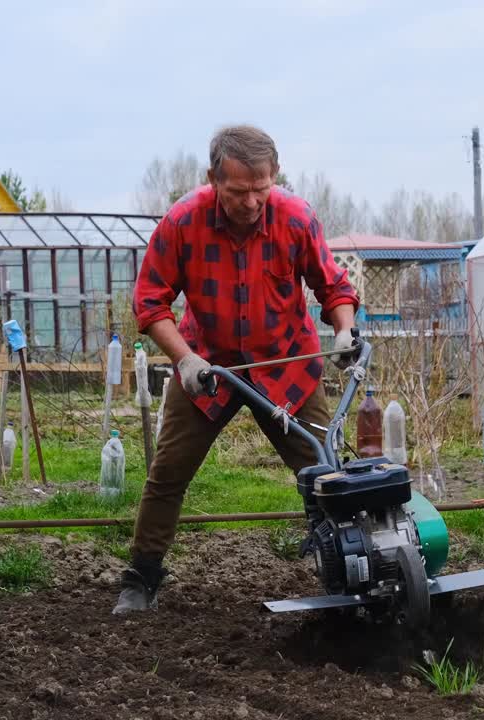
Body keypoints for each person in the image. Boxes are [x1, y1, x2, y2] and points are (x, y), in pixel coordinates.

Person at [114, 125, 359, 614]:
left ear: (275, 177)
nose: (251, 203)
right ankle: (141, 577)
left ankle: (351, 571)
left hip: (286, 366)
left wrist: (344, 331)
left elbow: (333, 286)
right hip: (208, 368)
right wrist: (184, 359)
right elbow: (150, 301)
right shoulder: (184, 222)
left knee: (325, 472)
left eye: (260, 190)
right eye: (238, 191)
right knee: (167, 473)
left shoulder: (296, 218)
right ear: (212, 178)